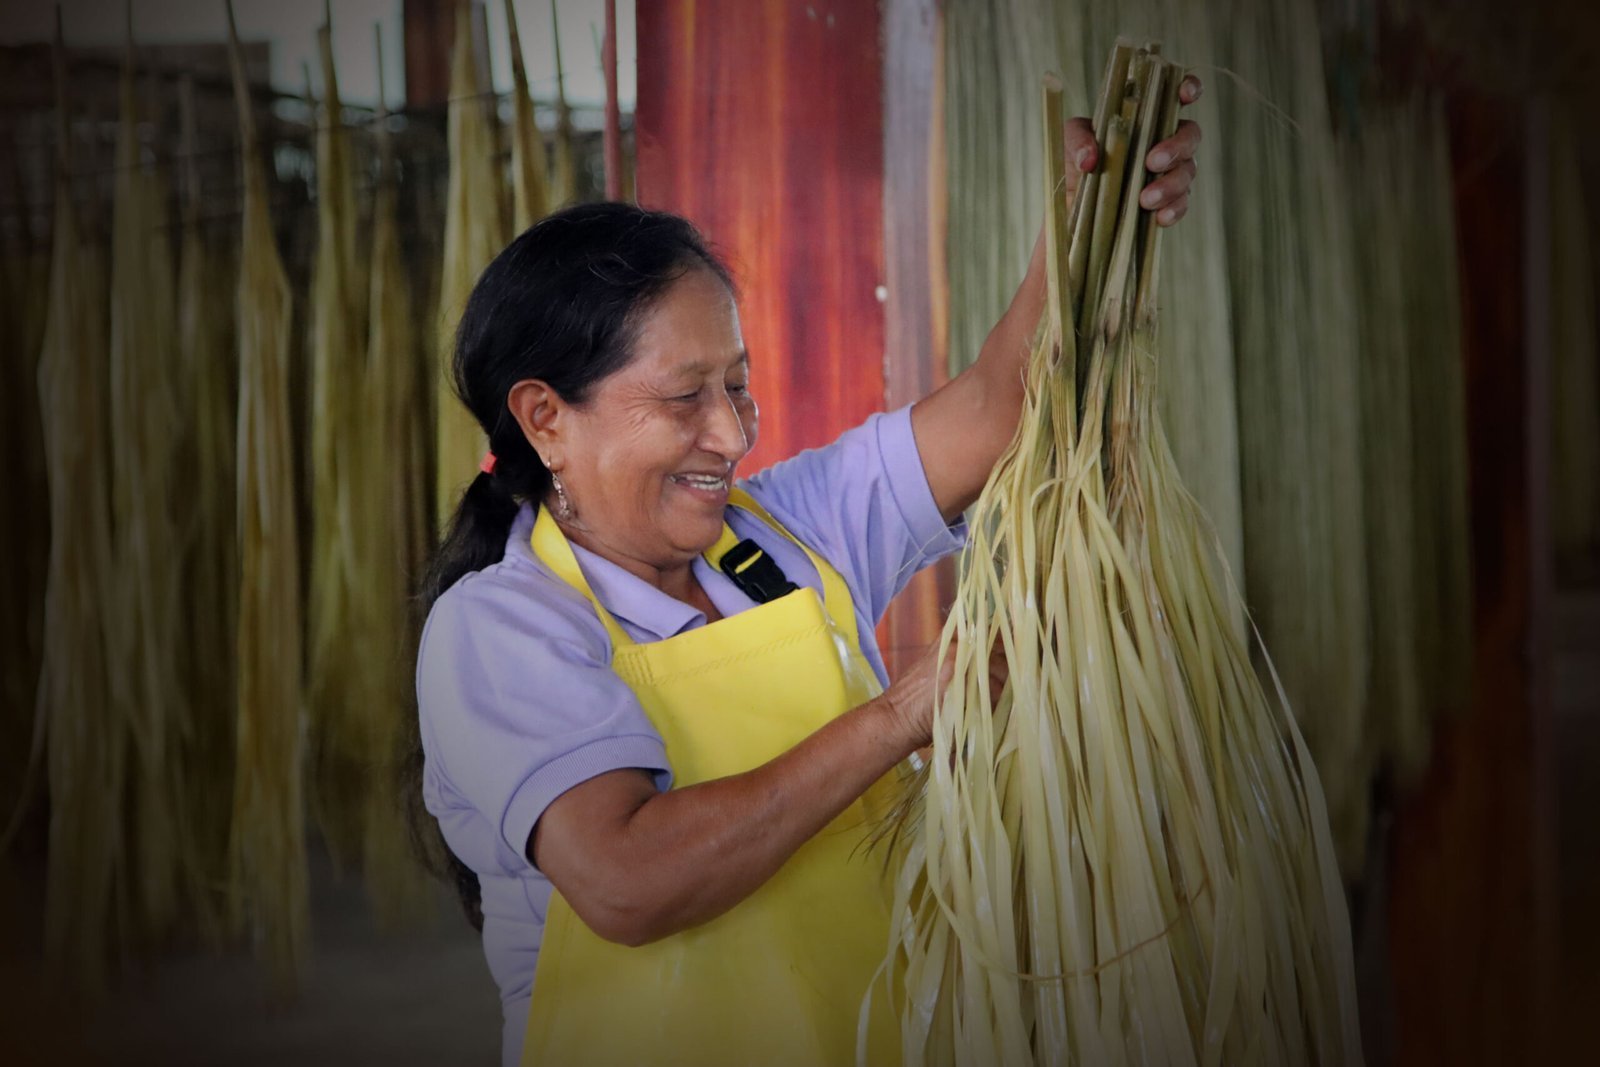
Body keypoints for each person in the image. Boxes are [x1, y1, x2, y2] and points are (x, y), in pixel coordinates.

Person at [411, 85, 1202, 1067]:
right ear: (544, 418)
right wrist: (901, 712)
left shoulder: (786, 532)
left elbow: (1004, 403)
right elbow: (627, 880)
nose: (732, 431)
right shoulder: (500, 625)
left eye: (736, 382)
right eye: (684, 396)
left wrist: (1086, 228)